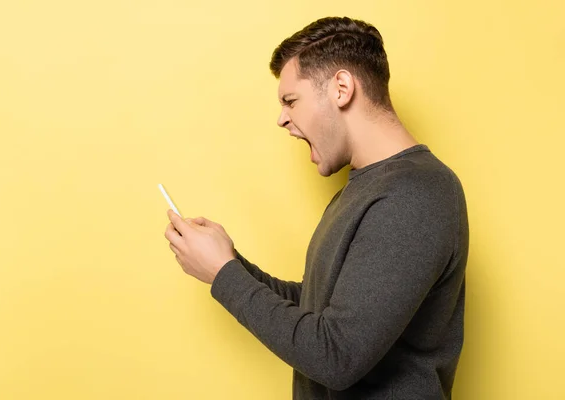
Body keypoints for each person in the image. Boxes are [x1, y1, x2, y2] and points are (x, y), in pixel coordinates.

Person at [164, 16, 469, 399]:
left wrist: (224, 274)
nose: (282, 118)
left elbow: (335, 355)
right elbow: (323, 311)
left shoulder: (416, 194)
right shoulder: (365, 188)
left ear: (341, 88)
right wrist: (227, 263)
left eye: (291, 100)